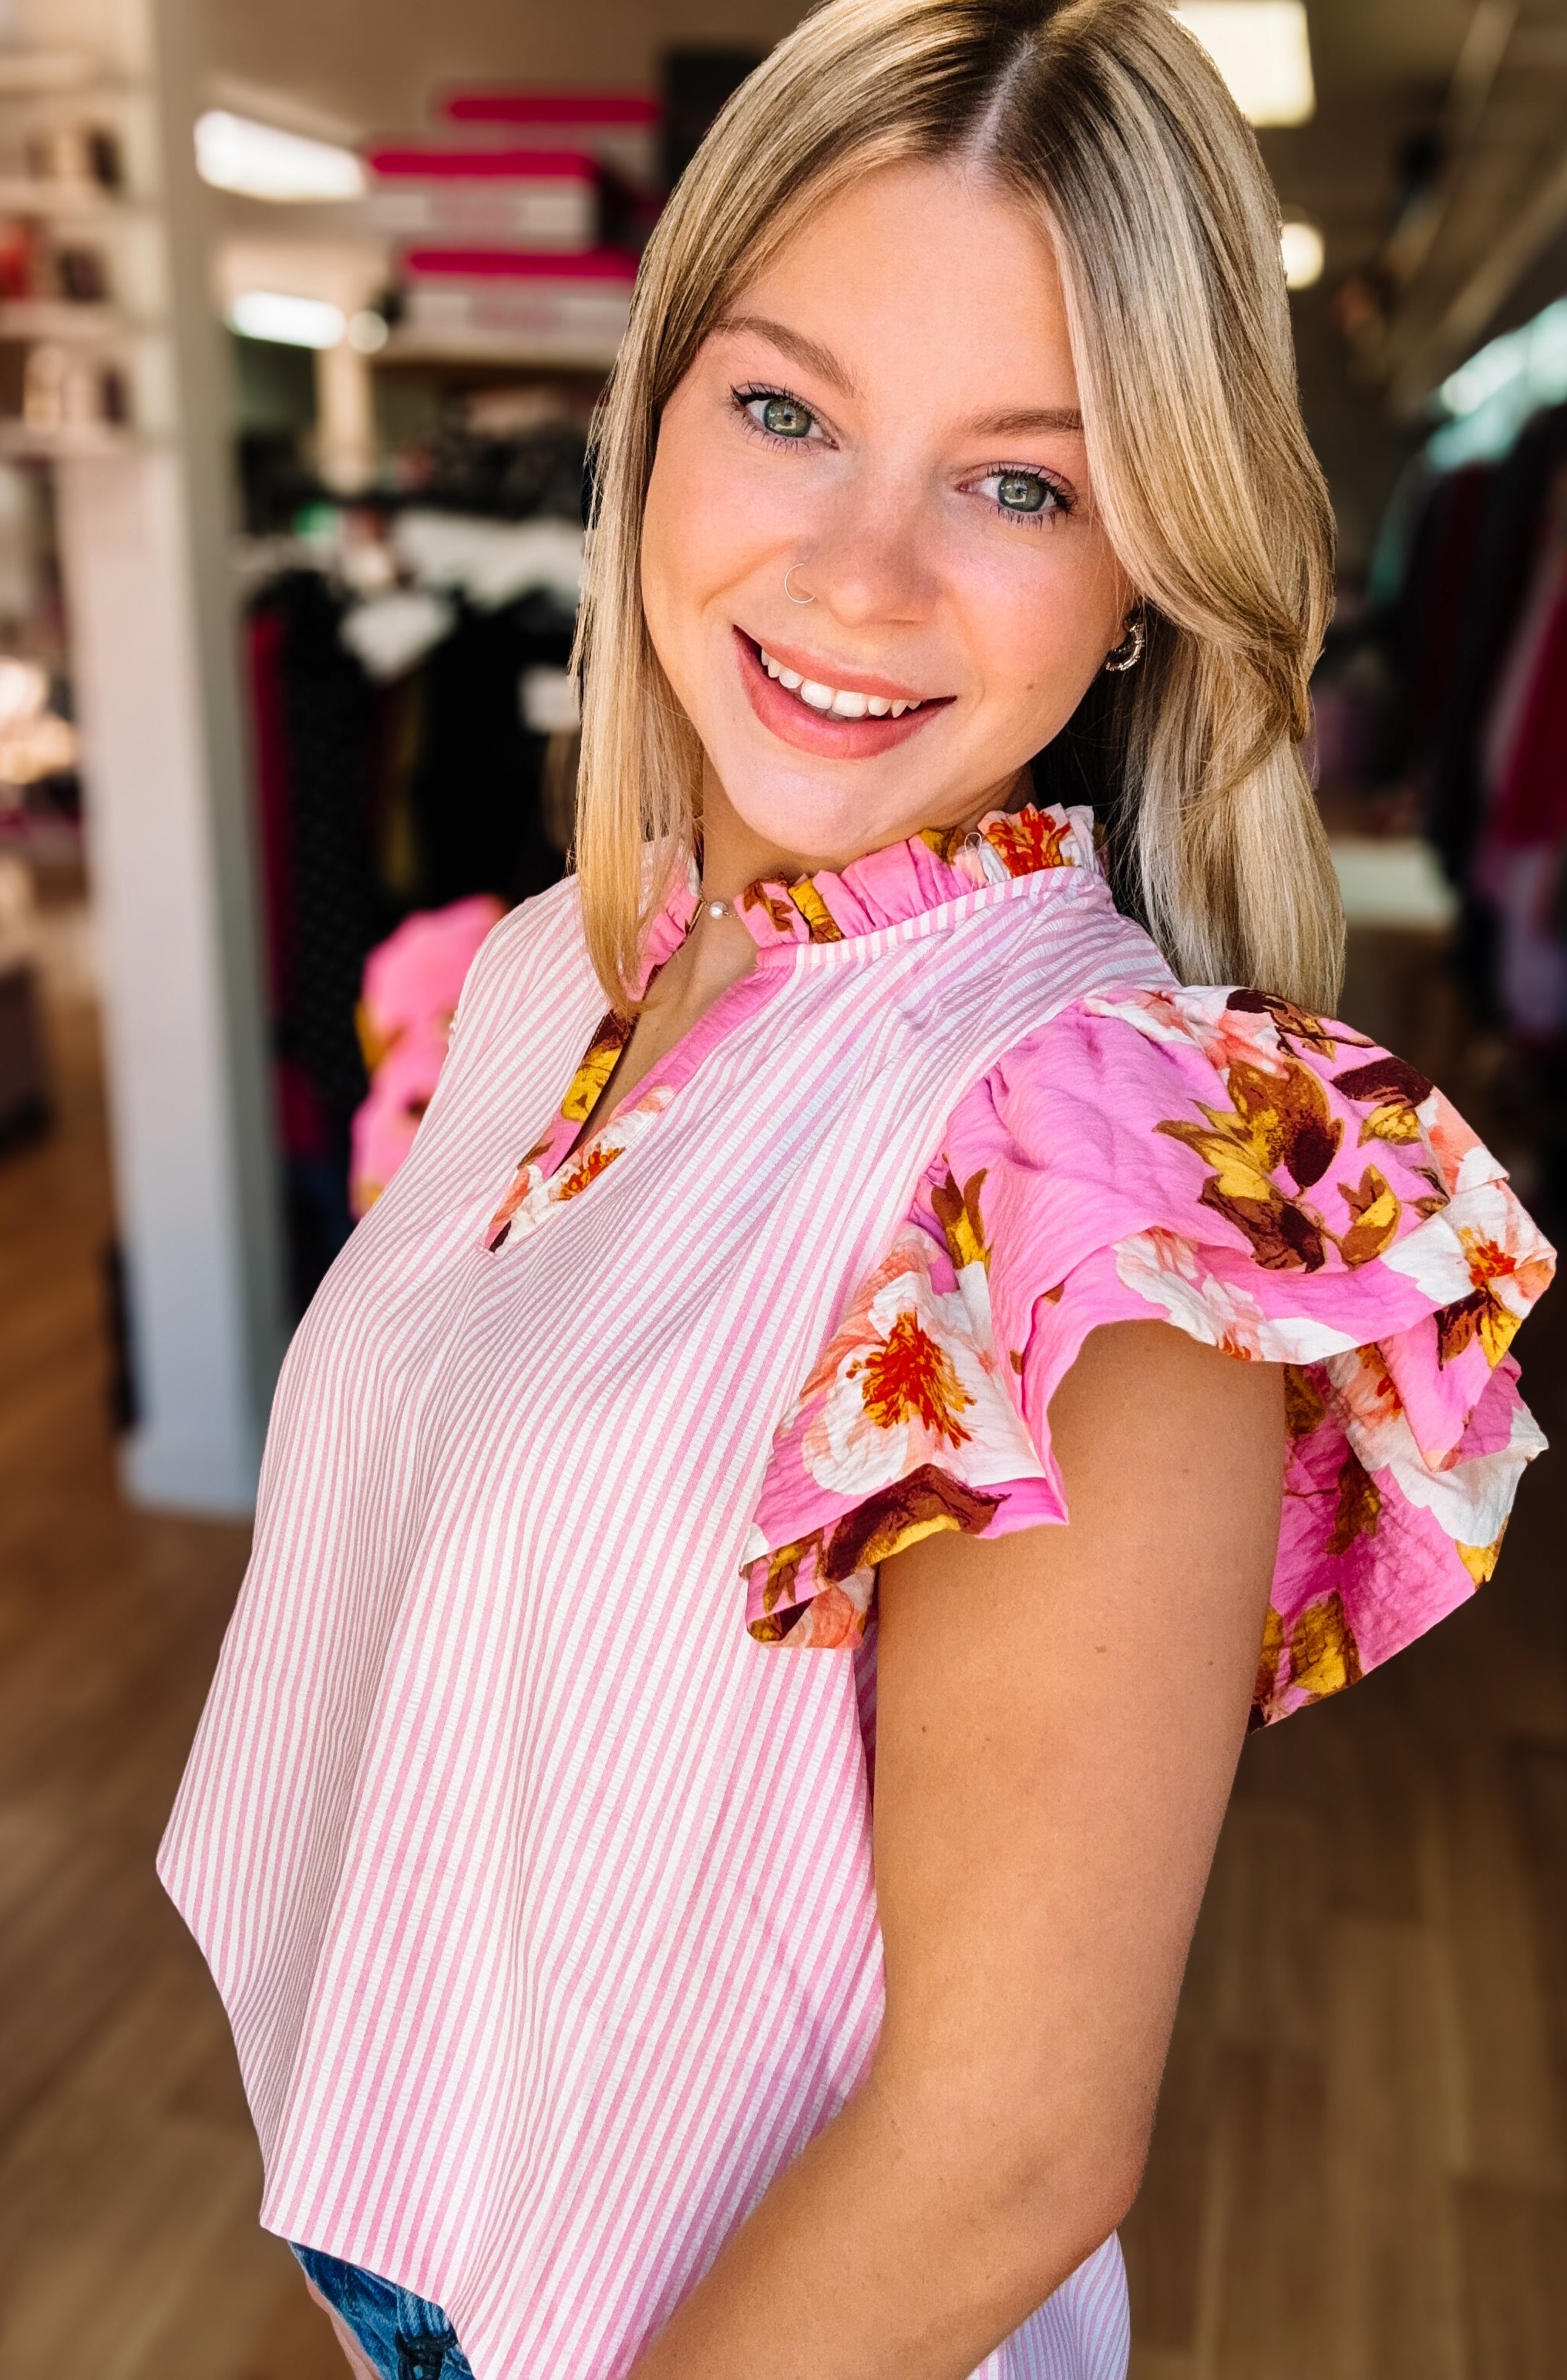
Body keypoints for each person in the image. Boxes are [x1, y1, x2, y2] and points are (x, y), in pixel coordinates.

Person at [160, 4, 1554, 2376]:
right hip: (420, 2242)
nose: (856, 573)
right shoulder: (549, 968)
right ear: (653, 418)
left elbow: (1004, 2148)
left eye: (1017, 483)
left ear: (1150, 566)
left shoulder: (1094, 1164)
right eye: (785, 412)